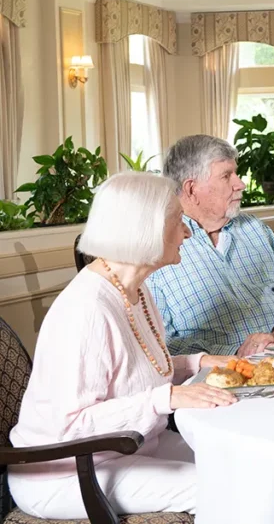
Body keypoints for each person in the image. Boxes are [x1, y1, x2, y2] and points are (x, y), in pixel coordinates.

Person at [8, 173, 237, 519]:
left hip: (129, 448)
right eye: (178, 220)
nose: (188, 231)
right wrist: (168, 398)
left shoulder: (134, 290)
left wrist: (197, 362)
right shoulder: (87, 309)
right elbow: (71, 426)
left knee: (245, 463)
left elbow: (131, 368)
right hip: (63, 472)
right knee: (227, 488)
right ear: (144, 228)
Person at [148, 135, 274, 356]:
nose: (240, 184)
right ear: (192, 189)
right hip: (218, 378)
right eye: (226, 176)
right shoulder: (159, 248)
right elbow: (159, 343)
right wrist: (234, 353)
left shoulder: (253, 229)